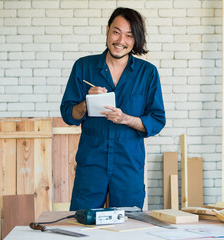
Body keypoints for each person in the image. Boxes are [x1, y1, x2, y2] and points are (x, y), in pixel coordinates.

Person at [60, 7, 165, 211]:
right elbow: (68, 115)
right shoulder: (83, 67)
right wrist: (86, 102)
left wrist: (126, 118)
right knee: (84, 221)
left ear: (136, 40)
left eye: (129, 35)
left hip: (128, 164)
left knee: (129, 225)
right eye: (116, 32)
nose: (120, 40)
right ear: (107, 30)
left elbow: (157, 119)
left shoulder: (148, 73)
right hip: (91, 163)